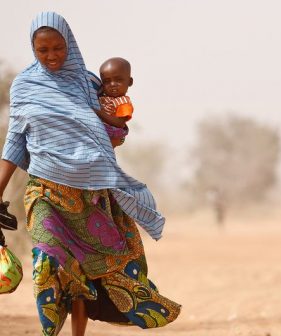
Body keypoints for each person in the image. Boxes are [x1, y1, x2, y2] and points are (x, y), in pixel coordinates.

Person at [0, 12, 180, 336]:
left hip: (88, 195)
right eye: (43, 50)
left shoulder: (89, 85)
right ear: (33, 49)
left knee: (83, 273)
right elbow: (14, 144)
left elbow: (111, 137)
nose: (52, 56)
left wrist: (115, 124)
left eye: (58, 47)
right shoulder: (24, 88)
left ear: (69, 44)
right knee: (47, 261)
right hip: (44, 191)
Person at [97, 57, 134, 148]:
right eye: (107, 81)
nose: (113, 84)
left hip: (113, 134)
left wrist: (98, 112)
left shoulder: (124, 103)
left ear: (129, 82)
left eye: (118, 80)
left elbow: (119, 123)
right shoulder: (103, 96)